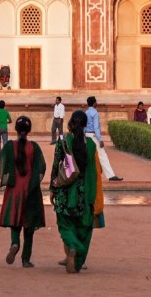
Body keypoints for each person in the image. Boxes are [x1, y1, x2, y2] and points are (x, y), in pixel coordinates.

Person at [50, 110, 102, 274]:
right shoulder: (91, 145)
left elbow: (55, 167)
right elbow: (94, 172)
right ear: (86, 125)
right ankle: (78, 256)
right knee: (83, 228)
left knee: (65, 225)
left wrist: (52, 188)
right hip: (84, 194)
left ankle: (71, 247)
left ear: (71, 123)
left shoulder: (63, 142)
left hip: (65, 192)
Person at [0, 115, 47, 268]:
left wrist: (7, 179)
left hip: (14, 189)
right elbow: (42, 167)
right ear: (29, 130)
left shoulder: (9, 146)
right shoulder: (34, 147)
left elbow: (3, 161)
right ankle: (26, 259)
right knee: (29, 226)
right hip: (30, 190)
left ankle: (14, 243)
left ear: (16, 130)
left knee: (15, 222)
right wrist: (34, 182)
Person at [84, 96, 121, 181]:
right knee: (102, 155)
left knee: (89, 156)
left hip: (87, 135)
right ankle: (110, 175)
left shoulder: (86, 112)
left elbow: (84, 126)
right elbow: (96, 127)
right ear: (94, 103)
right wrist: (100, 140)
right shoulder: (95, 113)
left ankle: (85, 176)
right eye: (96, 102)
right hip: (94, 136)